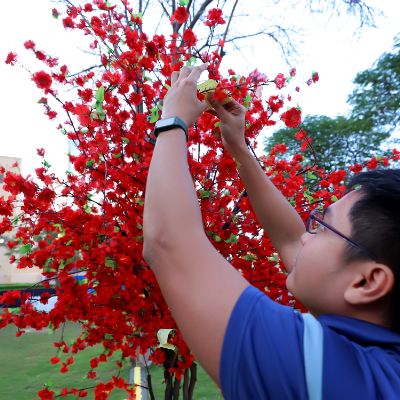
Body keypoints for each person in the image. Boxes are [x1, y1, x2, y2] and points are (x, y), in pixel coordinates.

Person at [142, 64, 400, 399]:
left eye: (322, 228)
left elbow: (168, 242)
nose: (306, 234)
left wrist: (173, 120)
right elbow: (293, 241)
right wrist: (238, 146)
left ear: (367, 282)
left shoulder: (325, 372)